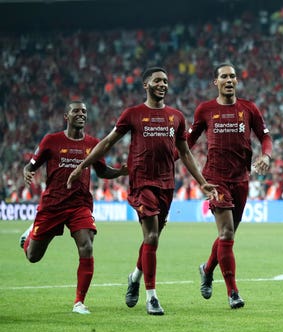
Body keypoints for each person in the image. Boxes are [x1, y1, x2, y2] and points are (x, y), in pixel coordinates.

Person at [67, 67, 216, 316]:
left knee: (153, 237)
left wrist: (201, 181)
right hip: (142, 183)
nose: (163, 84)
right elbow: (106, 142)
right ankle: (152, 297)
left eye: (166, 81)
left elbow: (186, 152)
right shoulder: (133, 114)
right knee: (152, 237)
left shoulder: (176, 116)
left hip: (167, 185)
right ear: (146, 85)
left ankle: (135, 276)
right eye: (157, 80)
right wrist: (82, 166)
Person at [19, 100, 128, 315]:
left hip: (80, 205)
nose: (81, 114)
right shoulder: (51, 141)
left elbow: (103, 171)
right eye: (76, 111)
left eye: (84, 111)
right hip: (52, 205)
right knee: (33, 256)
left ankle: (79, 302)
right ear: (66, 117)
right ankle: (28, 238)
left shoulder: (93, 144)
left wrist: (121, 172)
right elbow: (30, 165)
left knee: (86, 246)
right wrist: (27, 172)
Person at [188, 62, 273, 309]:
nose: (229, 80)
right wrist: (165, 158)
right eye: (224, 76)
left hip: (241, 179)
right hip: (215, 179)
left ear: (237, 81)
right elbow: (187, 143)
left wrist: (266, 156)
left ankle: (206, 268)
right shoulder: (205, 110)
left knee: (229, 234)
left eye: (232, 76)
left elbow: (265, 137)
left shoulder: (249, 108)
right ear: (216, 82)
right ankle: (233, 292)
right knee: (226, 233)